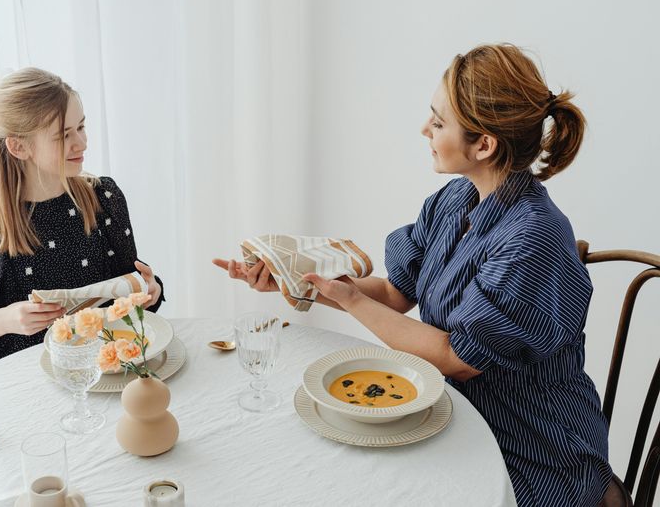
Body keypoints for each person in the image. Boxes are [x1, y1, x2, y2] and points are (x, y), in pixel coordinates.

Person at [214, 44, 612, 505]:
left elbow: (455, 357)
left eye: (438, 123)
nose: (424, 129)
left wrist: (351, 300)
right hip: (454, 412)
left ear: (484, 145)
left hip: (532, 444)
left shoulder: (532, 238)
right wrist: (297, 279)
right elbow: (394, 293)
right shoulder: (455, 201)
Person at [0, 68, 164, 380]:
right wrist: (4, 320)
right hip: (25, 390)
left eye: (81, 127)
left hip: (104, 378)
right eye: (64, 135)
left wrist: (150, 290)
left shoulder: (104, 198)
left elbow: (127, 296)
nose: (81, 143)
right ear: (19, 147)